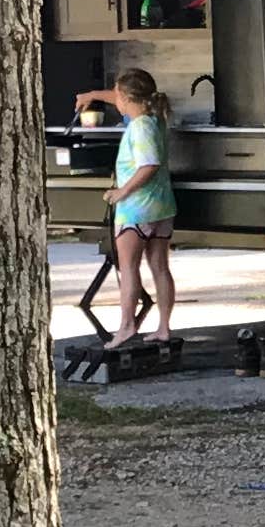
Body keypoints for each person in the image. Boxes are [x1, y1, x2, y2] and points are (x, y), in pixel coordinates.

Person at [86, 66, 181, 344]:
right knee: (160, 267)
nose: (115, 101)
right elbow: (120, 94)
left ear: (126, 99)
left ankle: (127, 326)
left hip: (136, 208)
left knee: (128, 268)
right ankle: (164, 328)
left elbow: (148, 164)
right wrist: (92, 94)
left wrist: (120, 192)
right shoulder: (155, 118)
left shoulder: (139, 127)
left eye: (117, 96)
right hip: (162, 207)